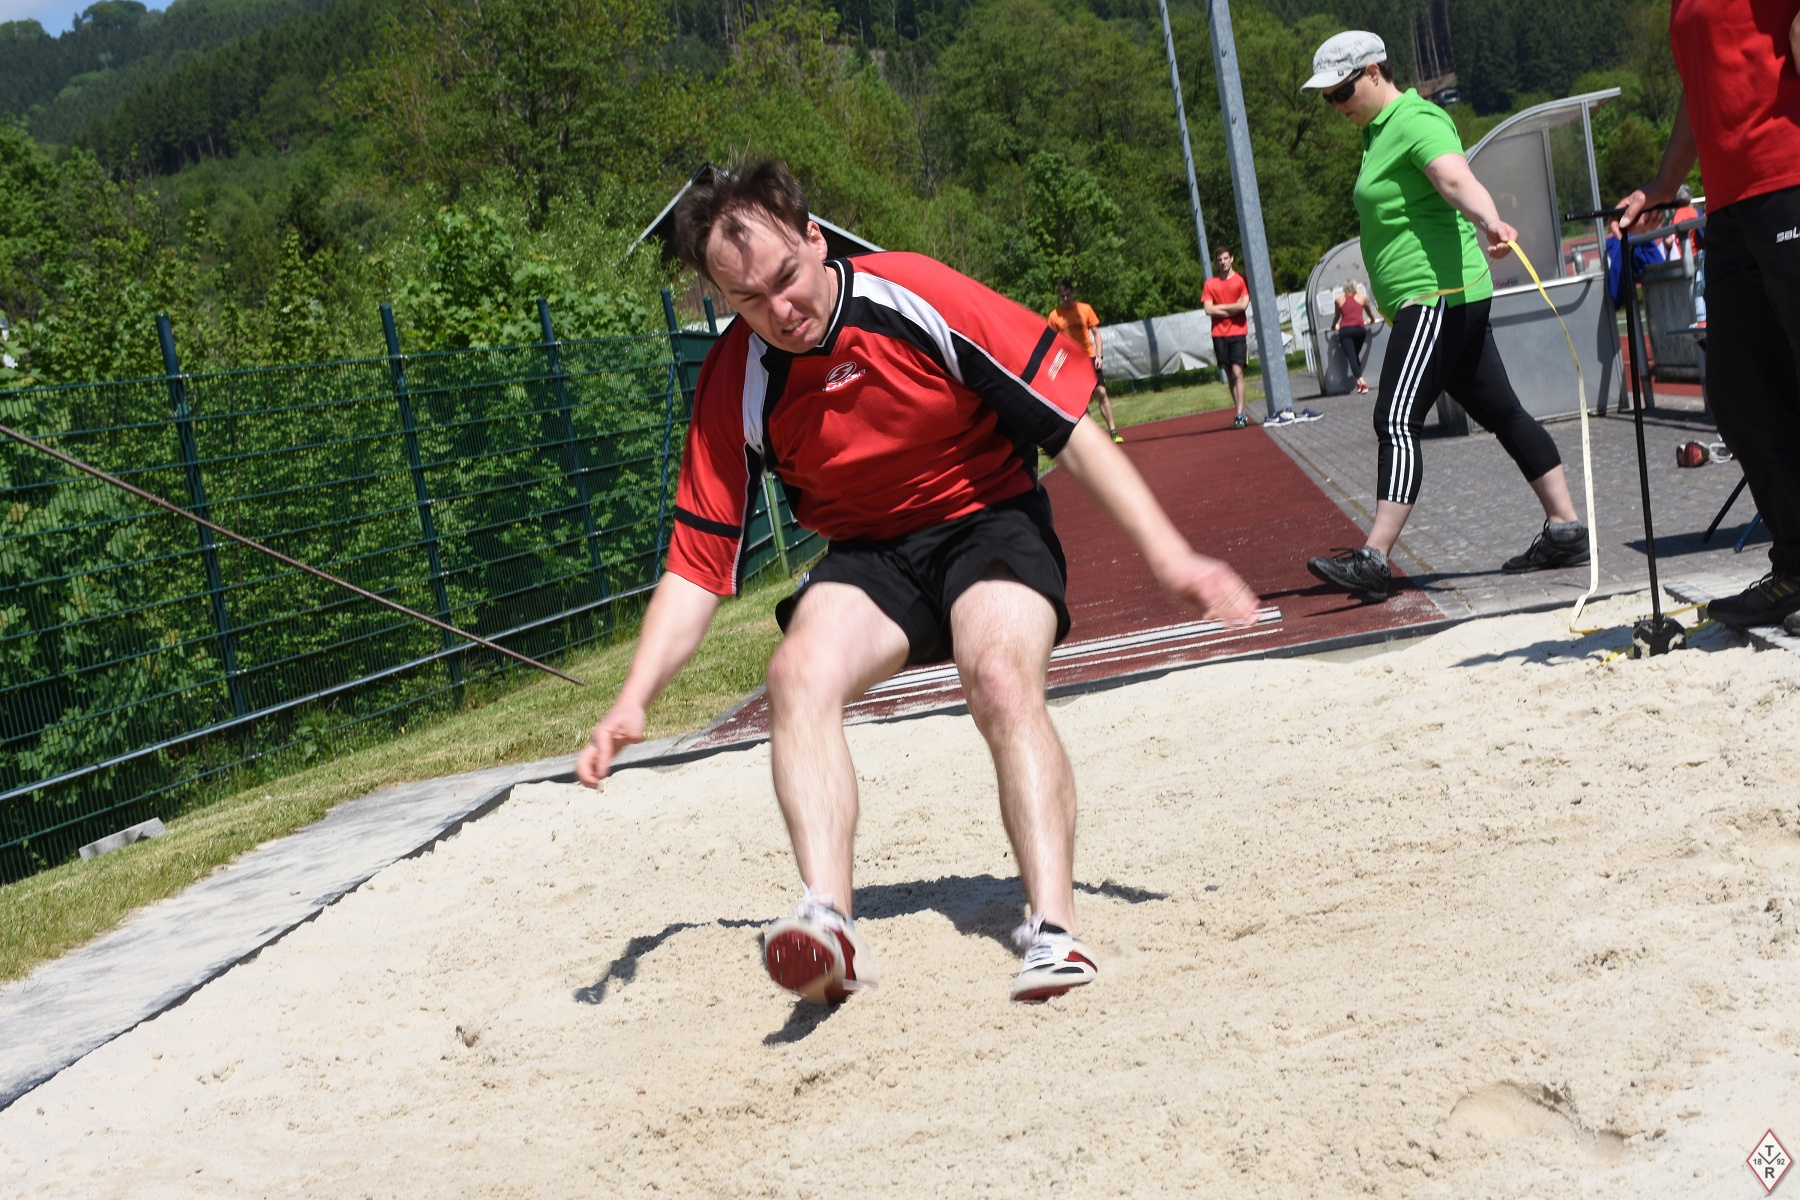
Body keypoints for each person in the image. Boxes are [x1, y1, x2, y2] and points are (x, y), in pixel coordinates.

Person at [574, 161, 1257, 1005]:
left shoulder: (914, 293)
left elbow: (1069, 429)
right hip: (869, 555)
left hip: (987, 519)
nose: (779, 311)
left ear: (814, 239)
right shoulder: (735, 376)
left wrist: (1171, 557)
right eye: (748, 300)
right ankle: (828, 922)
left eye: (786, 278)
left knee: (998, 675)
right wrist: (633, 699)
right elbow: (697, 562)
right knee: (795, 673)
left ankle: (1054, 929)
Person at [1297, 30, 1590, 601]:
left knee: (1395, 418)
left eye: (1342, 91)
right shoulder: (1377, 132)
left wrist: (1491, 220)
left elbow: (1454, 177)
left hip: (1435, 297)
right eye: (1327, 97)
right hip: (1451, 297)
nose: (1335, 105)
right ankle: (1565, 530)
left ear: (1374, 71)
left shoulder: (1416, 119)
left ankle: (1375, 558)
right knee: (1502, 411)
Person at [1617, 0, 1800, 632]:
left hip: (1790, 178)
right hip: (1729, 205)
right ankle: (1797, 564)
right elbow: (1702, 88)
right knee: (1739, 389)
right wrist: (1664, 183)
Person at [1047, 279, 1123, 442]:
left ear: (1073, 293)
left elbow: (1096, 333)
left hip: (1089, 356)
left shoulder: (1085, 309)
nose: (1065, 298)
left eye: (1068, 295)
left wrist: (1099, 356)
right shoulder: (1054, 315)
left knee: (1101, 392)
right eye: (1062, 296)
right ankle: (1093, 436)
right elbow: (1052, 341)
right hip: (1070, 361)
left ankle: (1113, 431)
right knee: (1081, 401)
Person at [1202, 247, 1254, 428]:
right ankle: (1240, 411)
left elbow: (1243, 306)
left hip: (1238, 331)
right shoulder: (1210, 284)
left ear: (1232, 259)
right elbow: (1208, 309)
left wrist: (1220, 308)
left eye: (1225, 258)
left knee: (1237, 372)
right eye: (1219, 260)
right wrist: (1232, 308)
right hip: (1219, 333)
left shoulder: (1241, 280)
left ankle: (1240, 414)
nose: (1223, 262)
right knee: (1229, 374)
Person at [1332, 278, 1372, 394]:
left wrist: (1334, 325)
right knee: (1354, 356)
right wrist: (1370, 320)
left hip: (1345, 331)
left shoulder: (1339, 300)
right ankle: (1359, 384)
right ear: (1355, 287)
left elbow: (1337, 316)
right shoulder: (1361, 298)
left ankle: (1362, 382)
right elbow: (1369, 314)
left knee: (1352, 357)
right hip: (1360, 331)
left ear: (1344, 288)